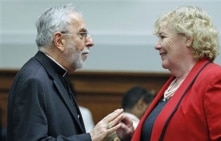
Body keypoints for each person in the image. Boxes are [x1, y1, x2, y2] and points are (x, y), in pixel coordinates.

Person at [7, 4, 133, 141]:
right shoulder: (34, 79)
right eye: (82, 34)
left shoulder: (57, 74)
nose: (90, 41)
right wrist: (91, 137)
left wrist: (108, 136)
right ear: (60, 41)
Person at [131, 6, 221, 141]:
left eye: (163, 37)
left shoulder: (215, 79)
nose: (157, 45)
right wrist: (132, 135)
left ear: (188, 39)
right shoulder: (174, 83)